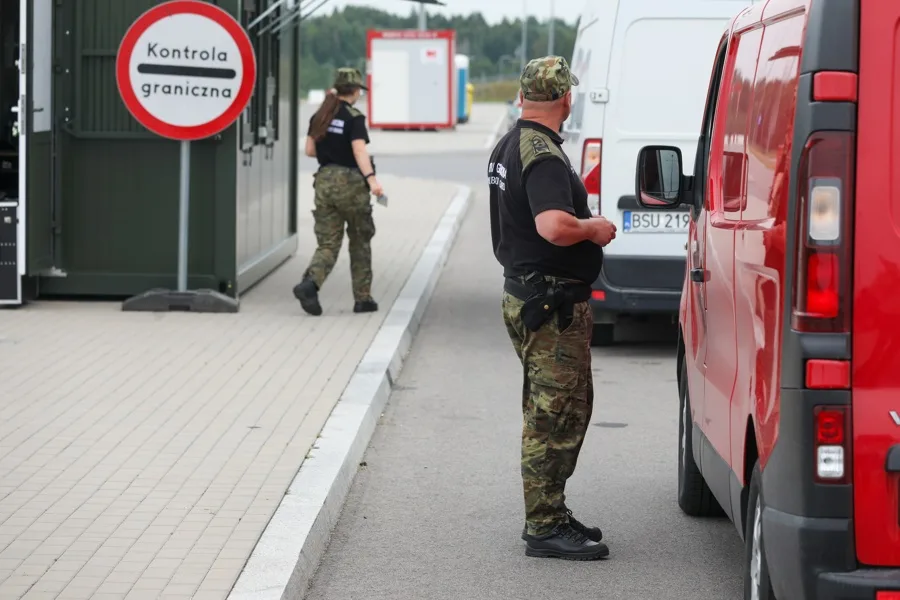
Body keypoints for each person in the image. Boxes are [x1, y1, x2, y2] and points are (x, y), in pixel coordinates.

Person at [488, 56, 618, 561]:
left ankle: (552, 509)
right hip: (549, 302)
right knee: (553, 415)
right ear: (566, 99)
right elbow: (553, 227)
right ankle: (542, 526)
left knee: (566, 409)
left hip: (534, 295)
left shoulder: (511, 142)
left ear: (524, 97)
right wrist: (594, 228)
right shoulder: (541, 154)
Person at [293, 67, 383, 316]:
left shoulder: (320, 115)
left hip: (324, 182)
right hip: (351, 184)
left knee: (328, 243)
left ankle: (310, 285)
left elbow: (310, 151)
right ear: (354, 91)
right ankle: (362, 299)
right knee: (359, 240)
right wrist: (372, 180)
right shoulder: (354, 118)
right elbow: (359, 151)